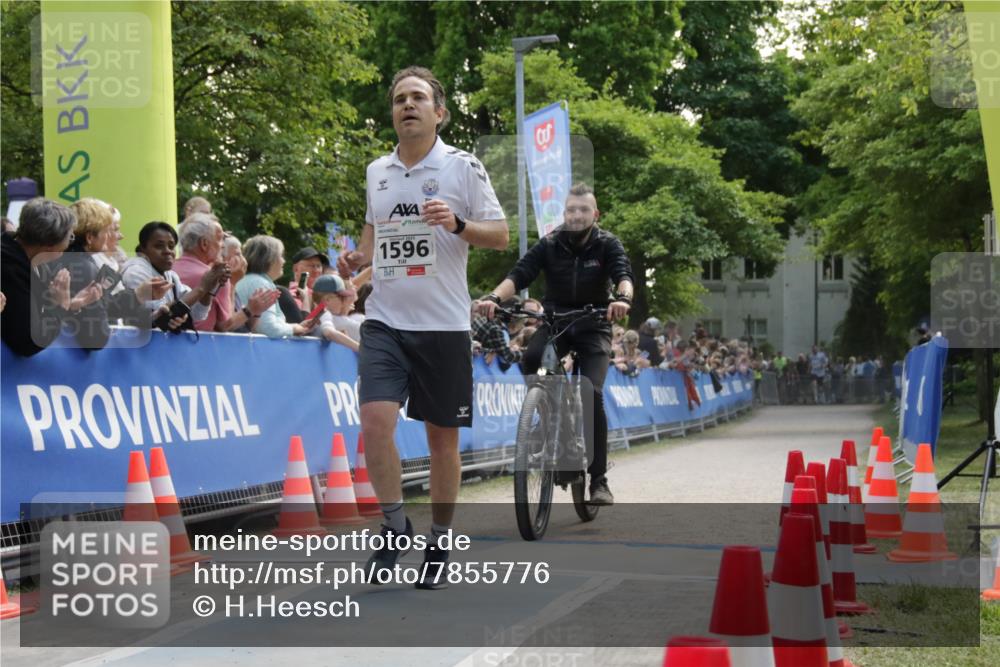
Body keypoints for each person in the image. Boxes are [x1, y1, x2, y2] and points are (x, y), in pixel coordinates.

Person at [336, 65, 508, 590]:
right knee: (375, 423)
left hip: (443, 325)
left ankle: (438, 538)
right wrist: (355, 260)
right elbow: (371, 238)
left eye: (417, 98)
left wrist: (456, 224)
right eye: (398, 100)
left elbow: (499, 236)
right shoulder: (376, 171)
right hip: (386, 319)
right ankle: (394, 525)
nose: (407, 105)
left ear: (440, 112)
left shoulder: (463, 167)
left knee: (442, 443)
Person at [477, 183, 634, 506]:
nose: (577, 215)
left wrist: (623, 299)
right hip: (556, 322)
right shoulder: (549, 243)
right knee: (532, 357)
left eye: (583, 210)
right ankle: (547, 415)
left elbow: (624, 276)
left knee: (592, 392)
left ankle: (599, 480)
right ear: (564, 214)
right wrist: (494, 296)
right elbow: (519, 275)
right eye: (571, 210)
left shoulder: (607, 244)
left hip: (593, 325)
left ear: (595, 214)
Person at [1, 198, 105, 355]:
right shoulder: (9, 268)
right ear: (50, 243)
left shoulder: (30, 260)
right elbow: (28, 341)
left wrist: (72, 305)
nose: (69, 244)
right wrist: (59, 306)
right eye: (69, 237)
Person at [122, 221, 229, 331]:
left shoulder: (170, 275)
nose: (167, 251)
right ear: (143, 249)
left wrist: (210, 288)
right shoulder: (135, 272)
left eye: (171, 246)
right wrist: (202, 288)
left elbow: (198, 314)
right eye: (159, 246)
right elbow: (159, 319)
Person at [235, 235, 319, 339]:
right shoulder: (260, 283)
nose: (284, 261)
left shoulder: (248, 280)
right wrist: (294, 329)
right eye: (281, 256)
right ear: (269, 258)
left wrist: (295, 326)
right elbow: (268, 328)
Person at [311, 274, 361, 351]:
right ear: (327, 300)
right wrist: (360, 349)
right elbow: (329, 332)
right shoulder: (324, 313)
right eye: (341, 297)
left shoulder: (314, 313)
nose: (344, 302)